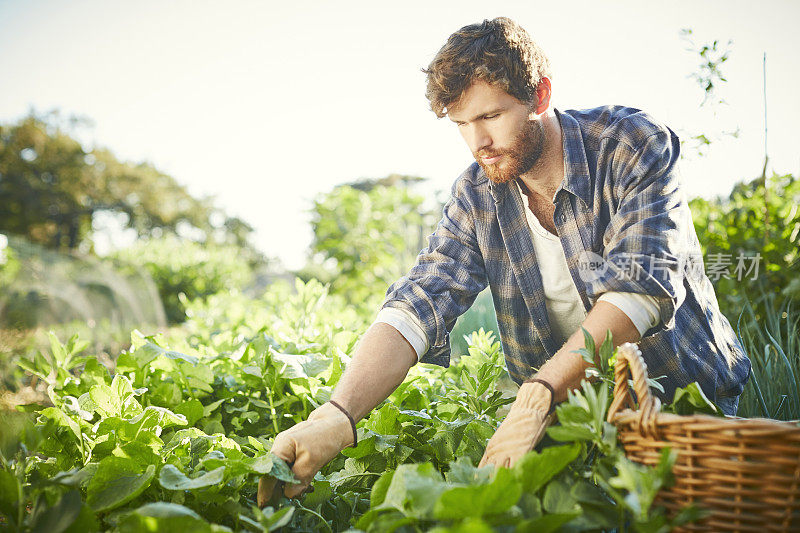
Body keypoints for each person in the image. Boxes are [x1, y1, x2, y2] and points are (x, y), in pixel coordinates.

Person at [267, 16, 751, 498]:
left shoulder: (629, 144)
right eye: (462, 125)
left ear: (540, 95)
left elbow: (639, 293)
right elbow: (420, 301)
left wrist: (536, 395)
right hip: (567, 423)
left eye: (491, 117)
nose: (478, 143)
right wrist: (336, 416)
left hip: (681, 408)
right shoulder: (476, 194)